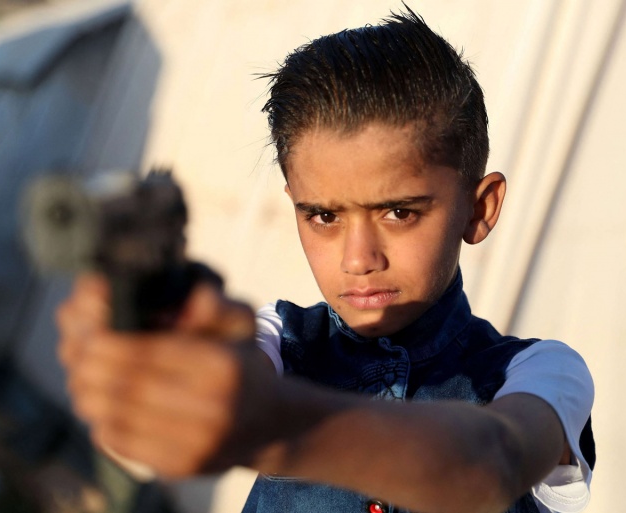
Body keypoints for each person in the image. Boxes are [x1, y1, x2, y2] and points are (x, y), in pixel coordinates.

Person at [57, 8, 595, 513]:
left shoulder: (540, 372)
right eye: (323, 216)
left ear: (479, 209)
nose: (358, 259)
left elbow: (493, 464)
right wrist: (149, 355)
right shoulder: (275, 341)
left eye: (399, 212)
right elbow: (205, 384)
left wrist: (276, 423)